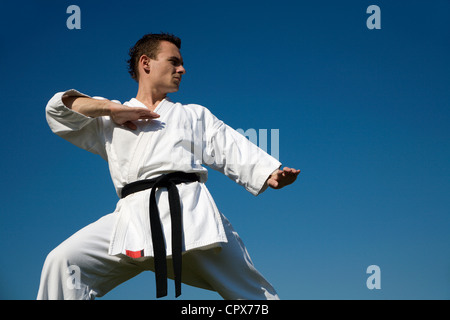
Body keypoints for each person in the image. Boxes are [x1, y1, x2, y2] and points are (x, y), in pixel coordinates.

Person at [37, 33, 300, 300]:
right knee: (62, 262)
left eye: (182, 63)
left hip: (191, 216)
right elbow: (57, 109)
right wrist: (110, 109)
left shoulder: (193, 115)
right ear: (146, 63)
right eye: (174, 61)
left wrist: (268, 173)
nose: (182, 69)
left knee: (256, 296)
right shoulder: (108, 118)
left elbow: (228, 145)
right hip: (130, 222)